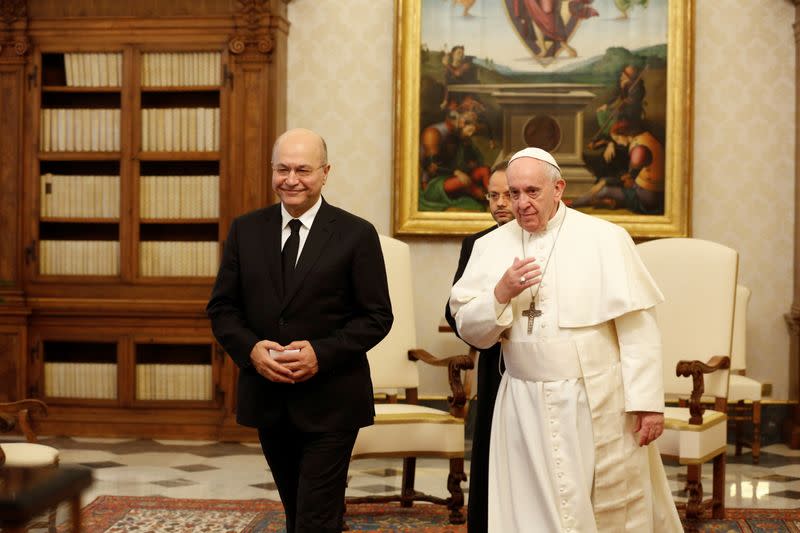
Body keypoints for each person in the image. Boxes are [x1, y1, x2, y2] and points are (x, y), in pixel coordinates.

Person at [449, 147, 682, 532]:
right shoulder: (490, 246)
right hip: (520, 404)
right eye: (512, 193)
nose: (520, 204)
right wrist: (500, 294)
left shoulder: (606, 238)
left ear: (558, 188)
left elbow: (638, 330)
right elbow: (471, 332)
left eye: (531, 192)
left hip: (592, 400)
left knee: (596, 505)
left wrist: (648, 404)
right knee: (526, 511)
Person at [206, 128, 393, 533]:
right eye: (282, 169)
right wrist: (251, 350)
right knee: (297, 509)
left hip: (333, 401)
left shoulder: (356, 234)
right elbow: (222, 307)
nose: (291, 179)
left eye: (303, 170)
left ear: (325, 173)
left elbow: (377, 316)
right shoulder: (245, 230)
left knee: (315, 515)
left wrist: (320, 354)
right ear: (272, 171)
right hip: (269, 397)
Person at [444, 160, 513, 533]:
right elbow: (454, 311)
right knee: (489, 454)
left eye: (508, 194)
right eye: (493, 195)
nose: (501, 203)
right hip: (494, 362)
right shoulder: (478, 243)